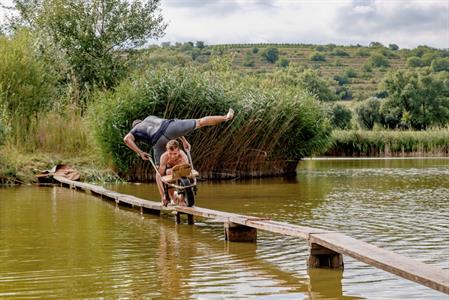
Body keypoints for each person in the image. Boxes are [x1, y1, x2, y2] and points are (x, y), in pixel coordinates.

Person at [123, 109, 234, 203]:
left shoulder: (135, 129)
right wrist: (184, 141)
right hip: (168, 127)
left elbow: (126, 139)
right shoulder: (149, 117)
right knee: (199, 122)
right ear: (142, 121)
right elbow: (175, 131)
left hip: (157, 140)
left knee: (159, 172)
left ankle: (165, 197)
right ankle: (226, 117)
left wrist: (140, 152)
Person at [159, 140, 189, 205]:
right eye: (170, 153)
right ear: (167, 151)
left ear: (179, 151)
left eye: (175, 153)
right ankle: (172, 197)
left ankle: (182, 199)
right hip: (169, 172)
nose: (172, 156)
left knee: (186, 175)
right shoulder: (164, 157)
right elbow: (160, 177)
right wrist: (164, 194)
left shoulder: (183, 156)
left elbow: (187, 171)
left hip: (181, 171)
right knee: (167, 172)